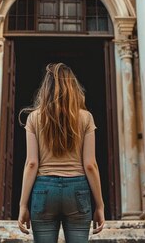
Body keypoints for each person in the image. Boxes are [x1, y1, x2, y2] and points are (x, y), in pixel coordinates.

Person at [17, 62, 105, 243]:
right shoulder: (86, 117)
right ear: (73, 88)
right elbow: (90, 165)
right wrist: (100, 205)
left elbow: (32, 163)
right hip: (78, 189)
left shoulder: (34, 117)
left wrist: (23, 205)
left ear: (45, 90)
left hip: (43, 190)